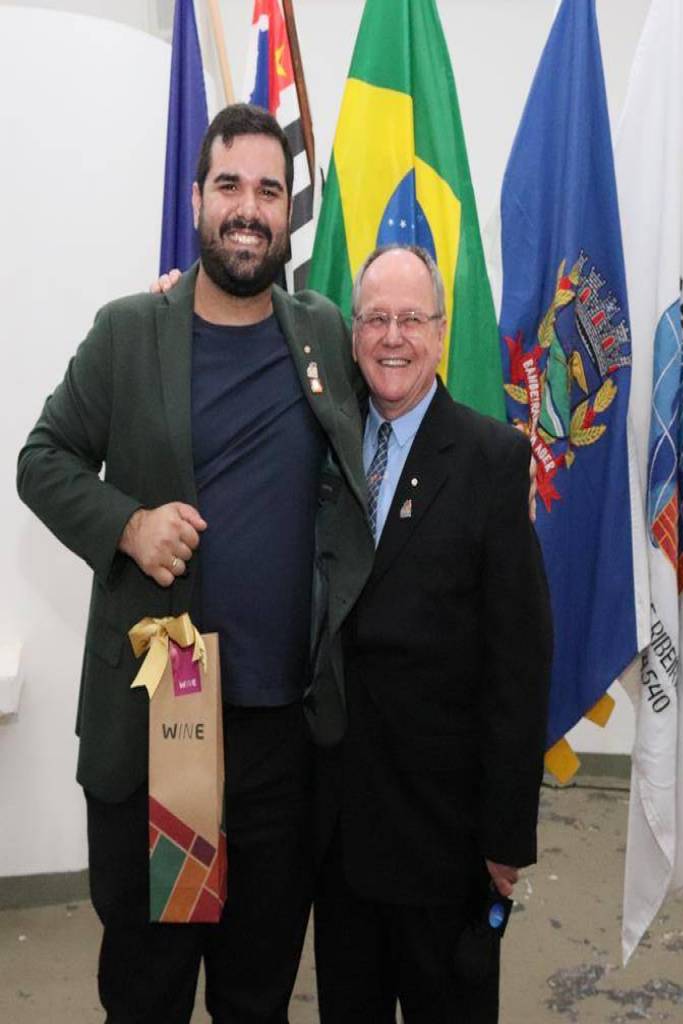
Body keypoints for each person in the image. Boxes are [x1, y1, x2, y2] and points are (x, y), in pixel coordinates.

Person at [16, 104, 371, 1024]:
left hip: (281, 745)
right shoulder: (130, 331)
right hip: (162, 732)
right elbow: (41, 460)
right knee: (151, 988)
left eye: (269, 190)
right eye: (230, 187)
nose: (248, 208)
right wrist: (128, 524)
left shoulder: (324, 334)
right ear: (197, 200)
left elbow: (401, 399)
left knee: (257, 992)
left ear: (288, 212)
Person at [311, 245, 553, 1024]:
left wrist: (506, 837)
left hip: (445, 846)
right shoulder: (325, 445)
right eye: (375, 319)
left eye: (411, 319)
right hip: (341, 840)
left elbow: (520, 662)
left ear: (442, 334)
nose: (393, 337)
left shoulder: (493, 459)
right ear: (353, 334)